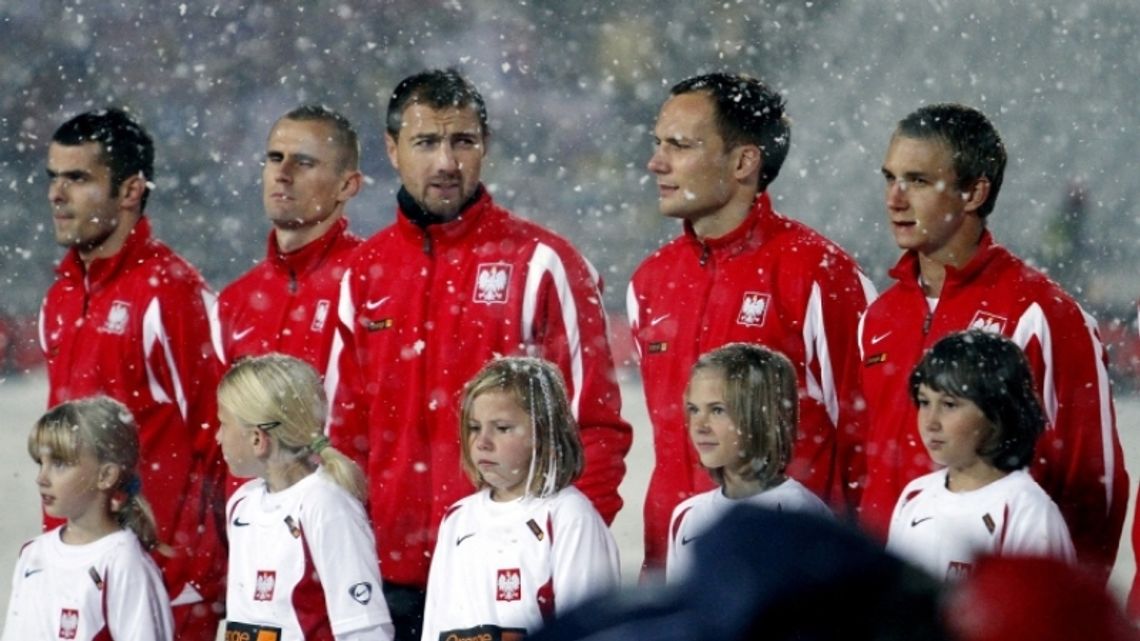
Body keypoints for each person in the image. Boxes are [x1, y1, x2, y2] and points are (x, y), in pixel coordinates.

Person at [334, 68, 631, 638]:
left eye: (462, 141)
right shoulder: (365, 273)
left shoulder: (544, 263)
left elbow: (593, 426)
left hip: (504, 582)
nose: (446, 161)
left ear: (484, 147)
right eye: (426, 142)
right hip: (382, 583)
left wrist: (558, 565)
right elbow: (345, 437)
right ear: (392, 151)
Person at [859, 103, 1128, 582]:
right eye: (890, 178)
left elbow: (1094, 486)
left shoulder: (1041, 314)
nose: (894, 199)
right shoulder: (878, 317)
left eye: (917, 181)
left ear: (973, 192)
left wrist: (1056, 614)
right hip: (888, 607)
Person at [627, 72, 874, 572]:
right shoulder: (650, 282)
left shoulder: (818, 274)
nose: (657, 162)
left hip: (785, 581)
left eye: (680, 145)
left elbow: (869, 443)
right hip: (677, 575)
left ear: (743, 161)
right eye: (658, 144)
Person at [39, 108, 226, 638]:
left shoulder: (171, 292)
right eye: (54, 176)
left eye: (77, 178)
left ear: (130, 191)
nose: (57, 193)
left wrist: (192, 567)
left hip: (161, 582)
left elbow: (217, 440)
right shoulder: (60, 297)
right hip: (75, 576)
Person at [421, 357, 620, 641]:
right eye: (475, 427)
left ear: (543, 434)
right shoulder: (457, 518)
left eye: (502, 428)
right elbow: (434, 627)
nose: (482, 442)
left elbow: (589, 629)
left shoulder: (568, 516)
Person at [215, 105, 365, 459]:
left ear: (347, 185)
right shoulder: (235, 300)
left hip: (342, 508)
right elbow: (215, 441)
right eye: (274, 158)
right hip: (251, 512)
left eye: (304, 162)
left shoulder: (372, 282)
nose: (282, 173)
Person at [217, 354, 394, 641]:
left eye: (223, 424)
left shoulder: (326, 504)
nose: (217, 436)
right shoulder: (241, 503)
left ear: (257, 439)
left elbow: (365, 629)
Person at [886, 331, 1074, 580]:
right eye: (924, 402)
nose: (930, 422)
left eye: (949, 405)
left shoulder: (1026, 511)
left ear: (997, 414)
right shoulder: (914, 496)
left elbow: (1043, 615)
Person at [1, 397, 174, 641]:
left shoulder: (123, 564)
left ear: (105, 475)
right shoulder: (32, 554)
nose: (42, 478)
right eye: (41, 462)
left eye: (59, 464)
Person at [666, 343, 832, 582]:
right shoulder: (688, 515)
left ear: (760, 415)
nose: (700, 425)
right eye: (693, 409)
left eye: (717, 410)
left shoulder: (800, 514)